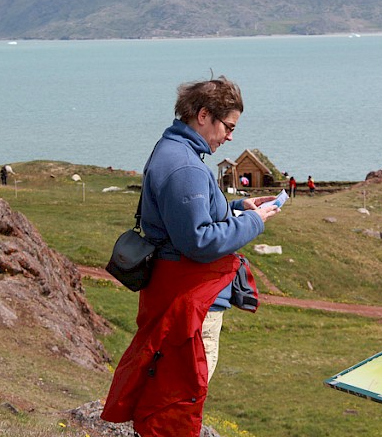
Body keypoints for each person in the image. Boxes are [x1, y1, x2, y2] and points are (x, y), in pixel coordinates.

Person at [101, 75, 280, 436]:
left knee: (168, 383)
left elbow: (185, 216)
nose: (230, 136)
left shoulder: (174, 151)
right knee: (182, 391)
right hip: (191, 300)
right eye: (228, 126)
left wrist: (238, 206)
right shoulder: (185, 165)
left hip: (176, 291)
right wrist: (254, 223)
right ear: (203, 116)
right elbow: (197, 240)